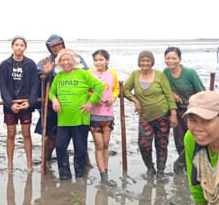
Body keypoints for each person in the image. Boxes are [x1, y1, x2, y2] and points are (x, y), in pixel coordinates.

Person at [49, 49, 105, 180]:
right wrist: (54, 99)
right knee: (60, 147)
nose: (65, 62)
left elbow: (99, 86)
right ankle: (65, 176)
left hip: (80, 118)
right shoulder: (59, 76)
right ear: (59, 63)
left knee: (80, 149)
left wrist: (91, 102)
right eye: (62, 60)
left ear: (74, 61)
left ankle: (80, 174)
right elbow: (51, 92)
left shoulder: (82, 73)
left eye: (68, 59)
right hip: (63, 119)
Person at [36, 34, 89, 168]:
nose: (57, 48)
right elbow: (38, 81)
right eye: (53, 46)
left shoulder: (76, 58)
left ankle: (85, 162)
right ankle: (46, 160)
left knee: (80, 136)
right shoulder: (45, 62)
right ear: (49, 48)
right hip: (52, 104)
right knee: (51, 135)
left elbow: (88, 77)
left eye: (59, 44)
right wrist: (46, 73)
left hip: (75, 103)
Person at [124, 50, 178, 178]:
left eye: (148, 60)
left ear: (152, 62)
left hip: (162, 115)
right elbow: (125, 89)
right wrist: (135, 101)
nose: (145, 63)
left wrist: (173, 113)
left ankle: (161, 171)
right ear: (139, 62)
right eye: (142, 60)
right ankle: (150, 167)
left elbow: (168, 94)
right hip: (145, 117)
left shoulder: (159, 75)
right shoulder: (135, 74)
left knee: (162, 145)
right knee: (144, 145)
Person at [0, 36, 39, 172]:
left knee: (26, 134)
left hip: (25, 104)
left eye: (22, 45)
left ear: (25, 47)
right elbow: (3, 87)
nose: (19, 47)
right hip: (10, 105)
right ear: (12, 47)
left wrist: (30, 102)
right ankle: (10, 165)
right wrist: (10, 104)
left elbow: (35, 85)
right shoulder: (4, 65)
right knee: (11, 134)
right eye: (16, 45)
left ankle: (29, 165)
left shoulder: (30, 64)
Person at [164, 46, 207, 172]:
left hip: (191, 110)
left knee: (193, 137)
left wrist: (195, 107)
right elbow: (164, 88)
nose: (170, 61)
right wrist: (172, 93)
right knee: (179, 141)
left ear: (180, 59)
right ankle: (186, 166)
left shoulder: (189, 73)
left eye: (174, 58)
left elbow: (202, 92)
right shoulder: (166, 72)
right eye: (168, 58)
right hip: (175, 110)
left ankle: (185, 164)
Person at [88, 49, 119, 183]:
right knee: (99, 145)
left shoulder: (112, 74)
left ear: (107, 60)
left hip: (108, 114)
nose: (98, 62)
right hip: (94, 114)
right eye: (96, 60)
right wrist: (93, 98)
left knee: (106, 145)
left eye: (101, 60)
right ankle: (103, 175)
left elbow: (116, 89)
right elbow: (86, 90)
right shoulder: (89, 73)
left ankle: (105, 171)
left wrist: (113, 98)